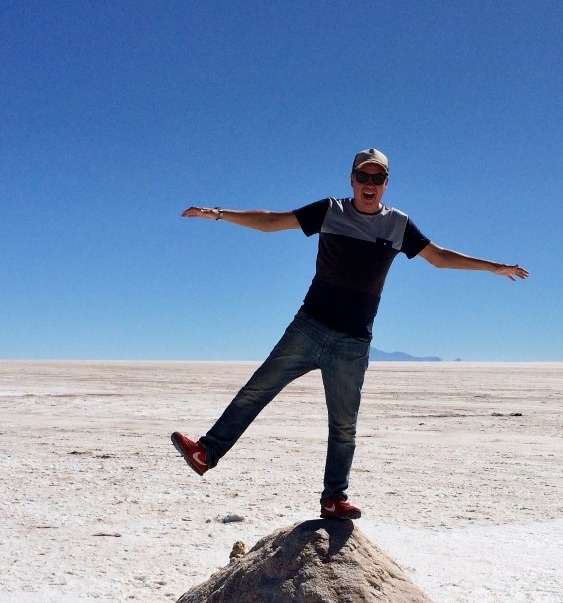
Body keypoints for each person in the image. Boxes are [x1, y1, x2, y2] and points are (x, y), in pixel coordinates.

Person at [172, 148, 529, 520]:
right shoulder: (331, 210)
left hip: (353, 342)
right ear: (352, 179)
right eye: (363, 176)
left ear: (386, 184)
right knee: (256, 390)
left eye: (377, 178)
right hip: (309, 327)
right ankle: (206, 453)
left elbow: (438, 257)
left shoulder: (398, 225)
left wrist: (493, 267)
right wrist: (219, 213)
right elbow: (272, 221)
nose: (369, 184)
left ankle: (334, 499)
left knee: (344, 425)